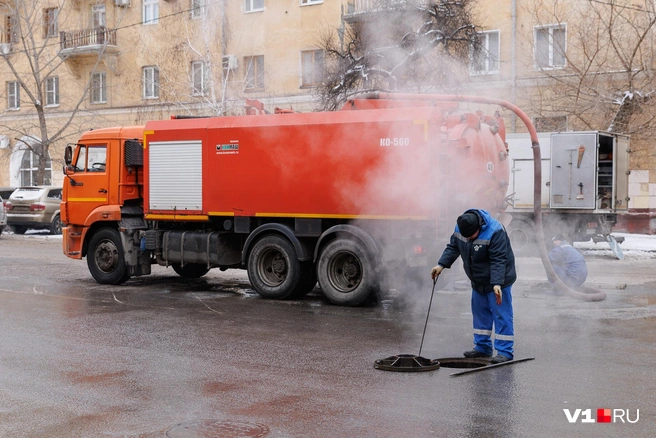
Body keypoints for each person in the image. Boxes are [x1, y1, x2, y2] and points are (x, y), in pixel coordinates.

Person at [430, 209, 516, 364]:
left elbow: (499, 259)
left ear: (479, 228)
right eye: (466, 237)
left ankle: (505, 351)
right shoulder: (460, 228)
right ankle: (482, 347)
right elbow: (453, 247)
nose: (468, 239)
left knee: (501, 314)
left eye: (471, 236)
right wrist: (441, 265)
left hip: (499, 279)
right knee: (480, 313)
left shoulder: (495, 231)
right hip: (477, 279)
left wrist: (497, 283)